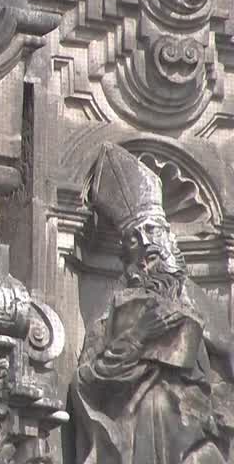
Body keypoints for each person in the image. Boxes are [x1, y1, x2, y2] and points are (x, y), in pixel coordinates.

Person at [72, 143, 234, 464]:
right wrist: (138, 336)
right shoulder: (115, 309)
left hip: (194, 432)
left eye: (153, 231)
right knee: (155, 404)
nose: (147, 243)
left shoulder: (194, 298)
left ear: (171, 239)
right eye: (135, 237)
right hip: (136, 432)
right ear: (125, 255)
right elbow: (85, 380)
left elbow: (228, 358)